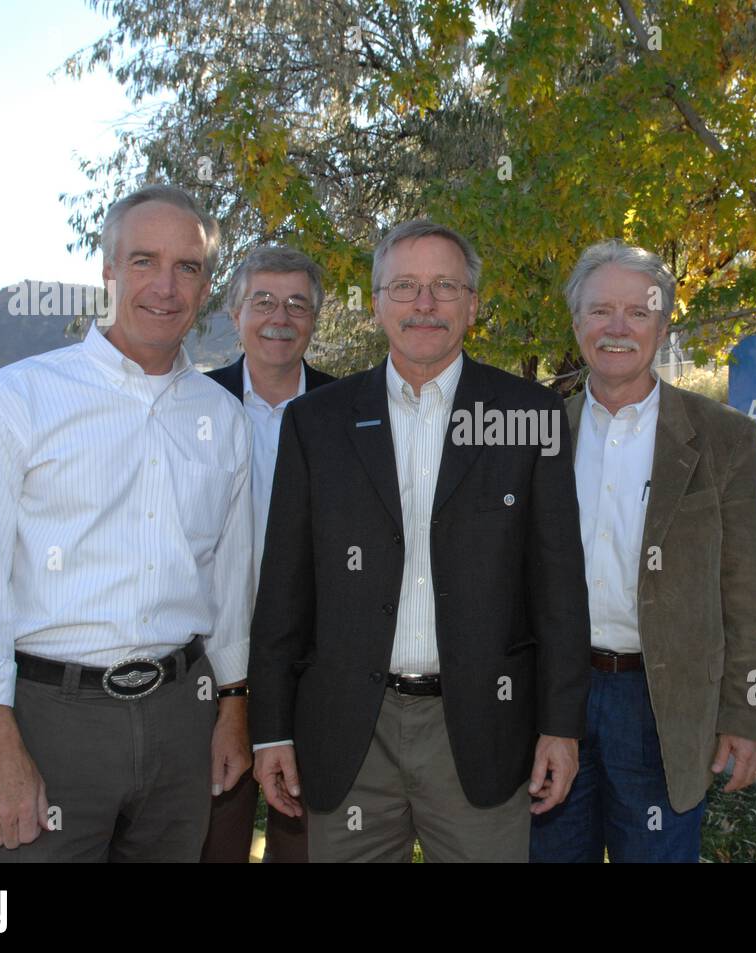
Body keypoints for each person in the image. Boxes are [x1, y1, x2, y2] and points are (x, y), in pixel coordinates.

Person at [0, 184, 254, 862]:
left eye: (187, 267)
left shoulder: (222, 419)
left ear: (206, 284)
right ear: (107, 271)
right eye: (143, 261)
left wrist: (232, 706)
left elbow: (231, 579)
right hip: (49, 718)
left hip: (181, 719)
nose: (165, 285)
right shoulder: (19, 398)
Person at [249, 219, 590, 862]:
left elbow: (559, 589)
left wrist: (560, 726)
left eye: (444, 286)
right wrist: (270, 730)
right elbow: (283, 592)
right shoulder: (316, 422)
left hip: (483, 732)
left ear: (473, 303)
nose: (424, 304)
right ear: (376, 303)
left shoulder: (528, 416)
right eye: (404, 286)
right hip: (349, 730)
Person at [530, 239, 756, 863]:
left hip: (663, 704)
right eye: (599, 311)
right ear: (577, 321)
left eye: (637, 312)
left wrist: (749, 715)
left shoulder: (723, 438)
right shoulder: (539, 435)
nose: (617, 328)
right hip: (553, 699)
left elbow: (748, 589)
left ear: (663, 325)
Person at [201, 247, 336, 864]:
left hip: (317, 665)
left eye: (297, 304)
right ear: (235, 313)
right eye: (263, 302)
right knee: (210, 836)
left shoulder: (354, 411)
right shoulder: (189, 408)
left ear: (314, 319)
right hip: (204, 662)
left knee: (305, 837)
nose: (280, 317)